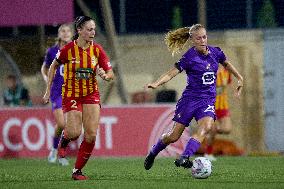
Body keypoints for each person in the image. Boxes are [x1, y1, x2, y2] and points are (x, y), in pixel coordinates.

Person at [144, 24, 243, 170]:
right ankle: (152, 153)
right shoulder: (189, 57)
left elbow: (226, 64)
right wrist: (157, 83)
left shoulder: (216, 52)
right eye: (199, 38)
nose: (203, 40)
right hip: (189, 101)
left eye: (204, 37)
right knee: (173, 136)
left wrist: (239, 77)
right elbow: (171, 73)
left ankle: (184, 157)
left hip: (207, 101)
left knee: (207, 126)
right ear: (192, 40)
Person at [43, 16, 114, 180]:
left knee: (91, 135)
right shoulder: (68, 49)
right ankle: (64, 141)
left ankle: (77, 171)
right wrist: (48, 90)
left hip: (91, 95)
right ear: (80, 31)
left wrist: (105, 75)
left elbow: (111, 73)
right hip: (71, 94)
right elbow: (53, 66)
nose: (93, 32)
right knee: (74, 132)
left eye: (94, 29)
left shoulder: (97, 50)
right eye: (89, 29)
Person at [41, 24, 73, 165]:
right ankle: (54, 150)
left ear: (72, 34)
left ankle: (61, 154)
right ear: (59, 34)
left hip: (72, 92)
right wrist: (47, 80)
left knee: (71, 127)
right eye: (63, 31)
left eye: (68, 31)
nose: (66, 33)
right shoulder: (52, 51)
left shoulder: (75, 50)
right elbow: (45, 67)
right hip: (57, 92)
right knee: (61, 123)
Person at [204, 66, 233, 161]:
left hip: (223, 106)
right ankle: (208, 152)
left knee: (227, 129)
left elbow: (227, 84)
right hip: (210, 107)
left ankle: (210, 131)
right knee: (213, 129)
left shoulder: (226, 71)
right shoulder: (207, 71)